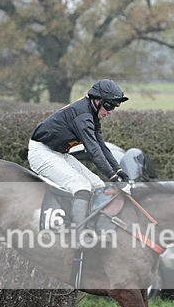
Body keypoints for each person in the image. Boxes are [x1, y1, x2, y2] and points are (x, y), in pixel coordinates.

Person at [28, 79, 130, 230]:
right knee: (81, 186)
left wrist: (119, 170)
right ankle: (79, 234)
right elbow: (94, 151)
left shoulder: (92, 114)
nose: (110, 111)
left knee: (98, 186)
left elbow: (101, 146)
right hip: (42, 152)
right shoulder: (83, 116)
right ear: (96, 100)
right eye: (108, 106)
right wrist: (113, 177)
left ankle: (93, 227)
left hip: (58, 153)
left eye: (114, 107)